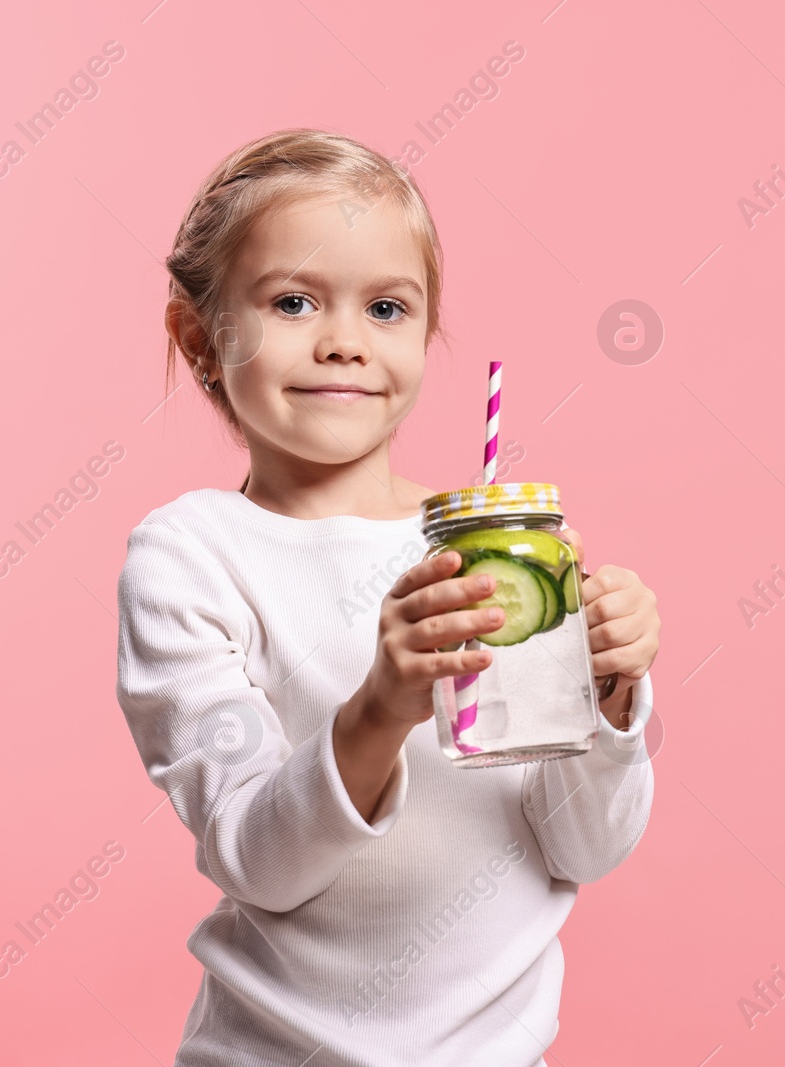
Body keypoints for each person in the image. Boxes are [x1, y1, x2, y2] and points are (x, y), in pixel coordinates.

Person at [115, 128, 662, 1066]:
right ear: (200, 338)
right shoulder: (191, 557)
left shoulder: (500, 554)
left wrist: (609, 698)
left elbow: (582, 848)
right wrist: (379, 706)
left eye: (385, 307)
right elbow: (256, 859)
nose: (343, 342)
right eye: (293, 301)